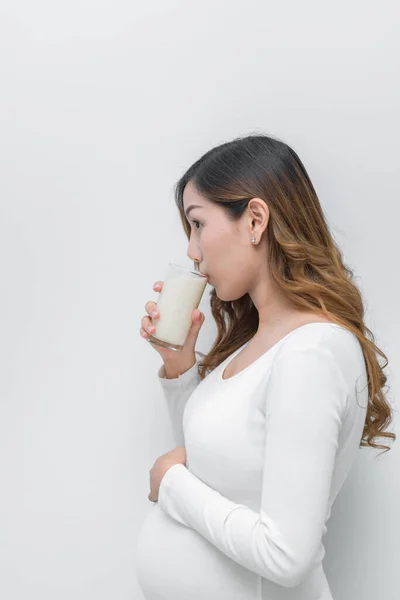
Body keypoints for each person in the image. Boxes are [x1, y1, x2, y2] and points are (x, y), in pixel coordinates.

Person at [135, 133, 395, 600]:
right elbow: (215, 466)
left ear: (255, 219)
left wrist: (169, 483)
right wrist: (179, 369)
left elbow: (285, 555)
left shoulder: (311, 353)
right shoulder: (255, 345)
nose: (193, 251)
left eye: (197, 225)